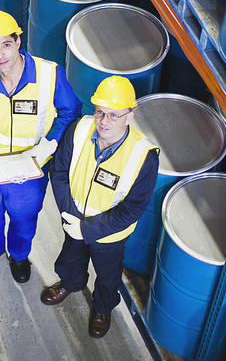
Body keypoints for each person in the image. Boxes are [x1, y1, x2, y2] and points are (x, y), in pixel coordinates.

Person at [0, 10, 81, 283]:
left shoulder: (50, 75)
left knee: (24, 218)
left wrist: (51, 142)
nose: (0, 54)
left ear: (18, 41)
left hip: (29, 168)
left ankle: (18, 255)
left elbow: (70, 111)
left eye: (6, 44)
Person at [40, 75, 159, 338]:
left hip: (109, 234)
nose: (104, 121)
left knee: (108, 274)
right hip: (72, 218)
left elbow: (132, 209)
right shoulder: (80, 129)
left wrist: (89, 229)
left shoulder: (143, 156)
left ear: (129, 116)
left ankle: (103, 308)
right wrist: (70, 215)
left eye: (113, 115)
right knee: (71, 258)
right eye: (100, 112)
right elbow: (58, 172)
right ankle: (70, 283)